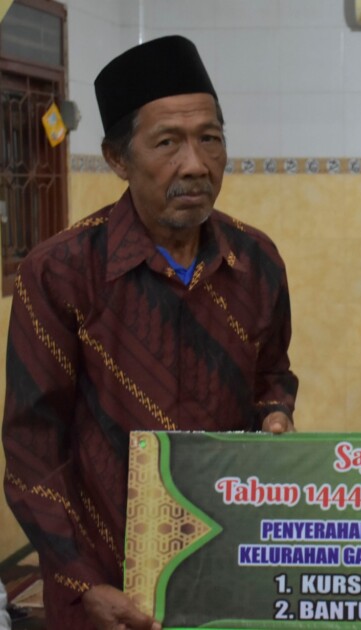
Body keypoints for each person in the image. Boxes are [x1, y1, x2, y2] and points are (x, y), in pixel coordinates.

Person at [2, 35, 298, 630]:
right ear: (118, 159)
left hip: (224, 567)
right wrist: (82, 582)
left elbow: (272, 374)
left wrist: (275, 416)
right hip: (103, 587)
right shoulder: (61, 272)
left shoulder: (255, 260)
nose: (195, 164)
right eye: (167, 143)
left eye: (210, 138)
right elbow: (34, 447)